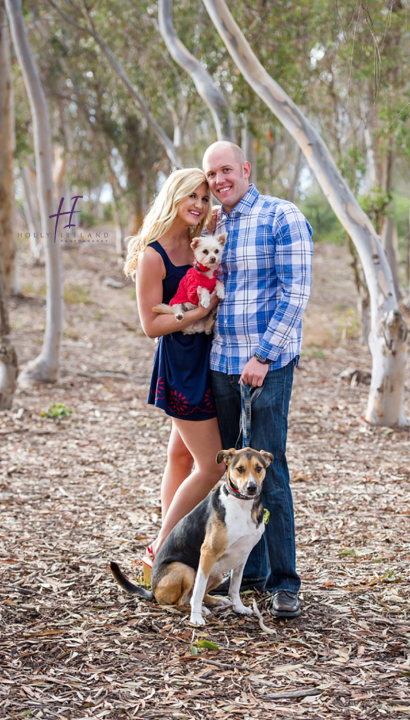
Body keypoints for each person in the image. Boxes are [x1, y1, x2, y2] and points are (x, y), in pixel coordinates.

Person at [203, 141, 313, 618]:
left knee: (271, 472)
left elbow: (296, 292)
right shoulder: (216, 225)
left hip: (265, 365)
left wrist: (264, 355)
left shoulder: (280, 216)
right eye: (212, 175)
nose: (219, 180)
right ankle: (251, 574)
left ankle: (285, 583)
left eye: (226, 170)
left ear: (245, 169)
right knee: (236, 477)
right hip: (221, 364)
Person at [124, 169, 225, 562]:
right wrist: (200, 311)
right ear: (174, 197)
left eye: (204, 198)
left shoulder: (201, 239)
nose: (199, 205)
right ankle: (161, 549)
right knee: (211, 465)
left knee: (181, 458)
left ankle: (172, 546)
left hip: (209, 357)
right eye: (192, 197)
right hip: (182, 364)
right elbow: (151, 326)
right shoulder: (154, 254)